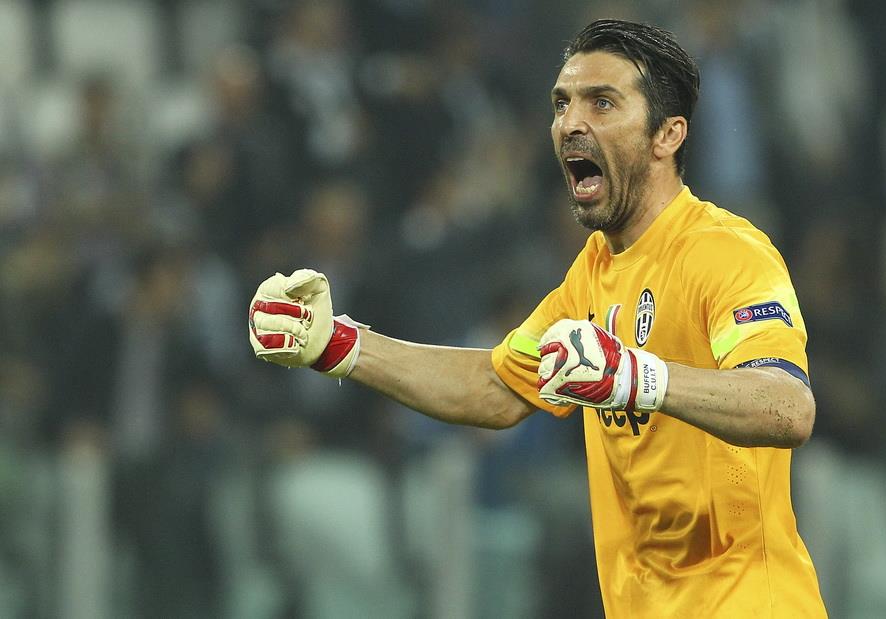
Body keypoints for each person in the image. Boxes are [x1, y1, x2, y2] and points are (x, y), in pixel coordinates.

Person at [247, 19, 826, 618]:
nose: (571, 122)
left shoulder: (725, 251)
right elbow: (498, 388)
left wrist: (636, 378)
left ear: (667, 135)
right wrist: (340, 345)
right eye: (562, 103)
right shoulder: (592, 272)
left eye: (602, 103)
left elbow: (787, 406)